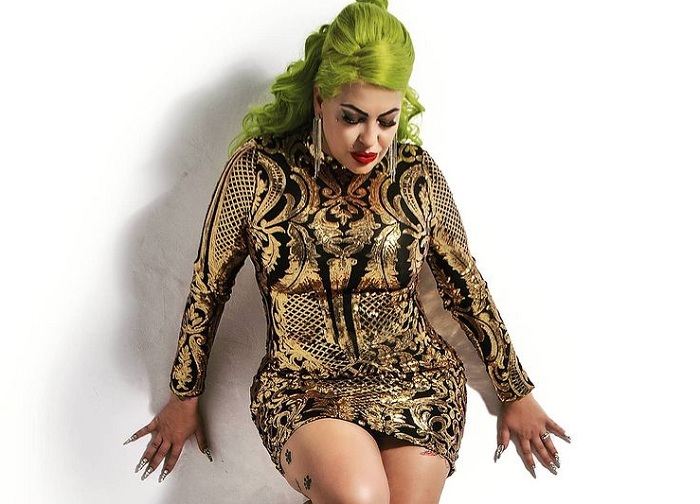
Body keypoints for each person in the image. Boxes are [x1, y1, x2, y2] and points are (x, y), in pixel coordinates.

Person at [125, 1, 570, 502]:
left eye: (387, 120)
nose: (370, 140)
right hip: (303, 385)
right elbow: (210, 284)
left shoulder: (418, 174)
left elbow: (465, 285)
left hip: (418, 380)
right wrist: (184, 395)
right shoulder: (257, 171)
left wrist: (515, 391)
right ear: (320, 99)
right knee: (360, 498)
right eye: (352, 118)